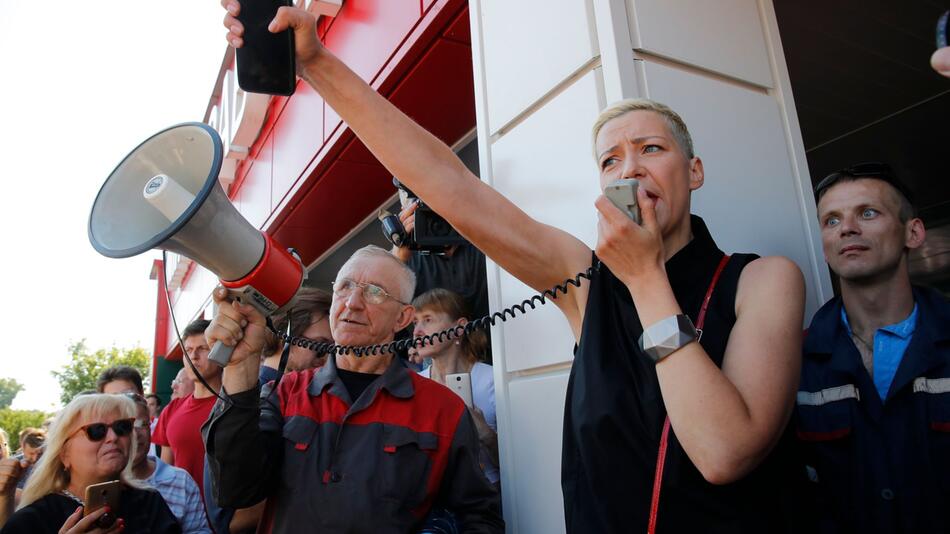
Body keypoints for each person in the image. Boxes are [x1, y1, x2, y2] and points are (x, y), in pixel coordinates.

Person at [220, 5, 807, 531]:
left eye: (651, 149)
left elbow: (724, 451)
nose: (630, 170)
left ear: (695, 171)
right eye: (611, 159)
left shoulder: (761, 280)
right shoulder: (585, 283)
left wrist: (647, 275)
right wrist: (320, 64)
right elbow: (447, 185)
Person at [203, 245, 504, 532]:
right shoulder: (285, 393)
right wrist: (239, 366)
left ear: (402, 318)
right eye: (344, 287)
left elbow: (479, 515)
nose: (352, 303)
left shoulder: (443, 409)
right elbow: (235, 489)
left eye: (375, 292)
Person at [797, 162, 948, 533]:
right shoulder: (795, 359)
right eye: (831, 220)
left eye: (867, 213)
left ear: (912, 233)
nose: (847, 228)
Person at [0, 394, 180, 533]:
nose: (113, 437)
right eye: (96, 430)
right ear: (64, 453)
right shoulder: (33, 520)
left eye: (122, 427)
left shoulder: (149, 503)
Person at [412, 289, 499, 487]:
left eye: (427, 319)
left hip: (488, 499)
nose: (417, 331)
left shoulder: (492, 381)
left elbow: (520, 465)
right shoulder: (413, 385)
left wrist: (484, 433)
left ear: (459, 328)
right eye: (415, 322)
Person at [126, 393, 211, 534]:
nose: (135, 434)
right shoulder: (101, 484)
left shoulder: (180, 481)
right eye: (126, 426)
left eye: (142, 424)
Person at [259, 287, 333, 384]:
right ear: (285, 337)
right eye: (320, 346)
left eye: (334, 349)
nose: (327, 358)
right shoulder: (259, 394)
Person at [13, 429, 44, 493]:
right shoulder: (14, 464)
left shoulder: (50, 466)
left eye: (40, 454)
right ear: (23, 449)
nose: (35, 458)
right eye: (31, 453)